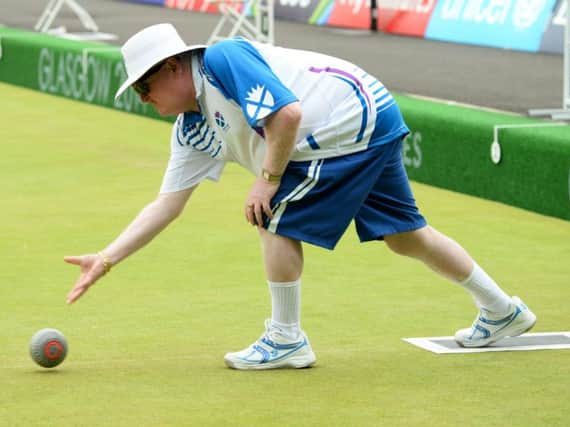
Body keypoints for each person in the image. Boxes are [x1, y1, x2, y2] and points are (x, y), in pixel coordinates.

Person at [65, 23, 536, 370]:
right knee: (405, 236)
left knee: (268, 212)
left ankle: (286, 338)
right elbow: (166, 205)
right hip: (370, 118)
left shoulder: (222, 59)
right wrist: (105, 259)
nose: (144, 99)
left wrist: (267, 179)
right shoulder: (191, 130)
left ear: (172, 67)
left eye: (145, 87)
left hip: (348, 119)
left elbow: (287, 114)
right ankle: (502, 311)